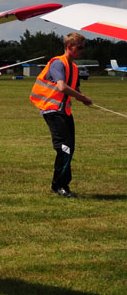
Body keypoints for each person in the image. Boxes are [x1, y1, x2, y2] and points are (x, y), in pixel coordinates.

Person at [30, 33, 93, 197]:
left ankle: (59, 184)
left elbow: (74, 88)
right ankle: (60, 186)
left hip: (64, 111)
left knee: (69, 147)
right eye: (79, 47)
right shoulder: (58, 63)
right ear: (69, 47)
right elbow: (61, 87)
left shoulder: (74, 67)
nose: (82, 50)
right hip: (51, 109)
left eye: (83, 47)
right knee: (64, 148)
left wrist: (82, 97)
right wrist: (81, 97)